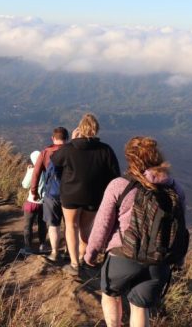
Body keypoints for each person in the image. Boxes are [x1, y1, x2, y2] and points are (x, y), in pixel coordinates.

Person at [84, 137, 188, 327]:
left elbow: (102, 225)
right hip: (159, 262)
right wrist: (179, 259)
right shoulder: (175, 189)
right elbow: (180, 228)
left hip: (122, 257)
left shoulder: (119, 185)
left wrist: (91, 253)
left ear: (131, 159)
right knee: (140, 307)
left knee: (110, 294)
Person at [51, 113, 120, 276]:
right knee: (86, 228)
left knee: (71, 226)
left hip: (70, 195)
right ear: (96, 130)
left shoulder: (69, 148)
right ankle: (83, 258)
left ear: (79, 129)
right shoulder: (105, 150)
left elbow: (54, 160)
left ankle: (74, 265)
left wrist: (72, 141)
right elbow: (115, 176)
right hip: (94, 197)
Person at [30, 127, 69, 262]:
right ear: (66, 138)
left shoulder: (46, 152)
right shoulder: (71, 151)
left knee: (54, 224)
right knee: (69, 225)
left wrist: (34, 191)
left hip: (52, 194)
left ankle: (54, 252)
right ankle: (68, 251)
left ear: (53, 138)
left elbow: (36, 173)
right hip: (70, 193)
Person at [20, 150, 47, 256]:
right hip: (44, 203)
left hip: (32, 202)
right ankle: (42, 245)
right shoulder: (47, 170)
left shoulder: (32, 171)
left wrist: (28, 171)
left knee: (28, 226)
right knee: (42, 224)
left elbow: (25, 185)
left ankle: (28, 248)